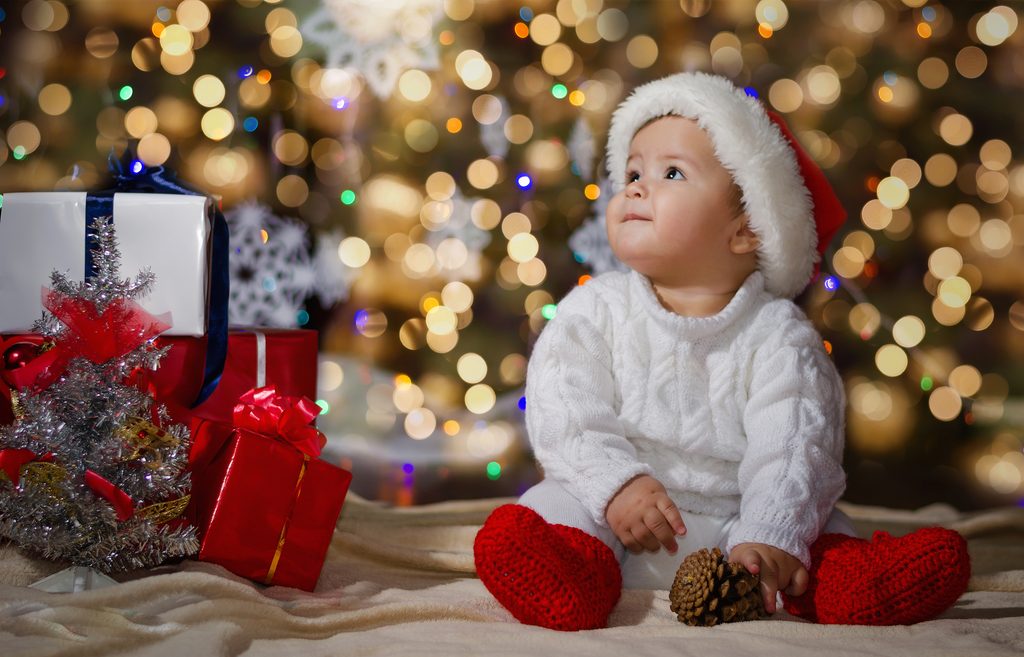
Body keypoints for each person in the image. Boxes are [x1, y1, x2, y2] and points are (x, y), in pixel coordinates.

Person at [473, 72, 970, 631]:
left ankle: (846, 583)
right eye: (632, 172)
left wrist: (770, 532)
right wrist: (616, 485)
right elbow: (563, 409)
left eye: (671, 173)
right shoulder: (595, 310)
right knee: (554, 504)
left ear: (747, 229)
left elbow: (795, 445)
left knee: (818, 520)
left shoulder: (781, 336)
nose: (634, 187)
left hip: (741, 523)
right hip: (618, 514)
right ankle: (574, 572)